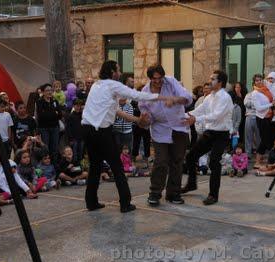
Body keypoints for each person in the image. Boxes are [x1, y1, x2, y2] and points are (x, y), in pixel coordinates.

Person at [81, 60, 171, 212]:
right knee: (117, 166)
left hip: (87, 129)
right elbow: (136, 95)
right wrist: (162, 97)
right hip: (101, 131)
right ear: (112, 72)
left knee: (95, 166)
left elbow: (117, 111)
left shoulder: (97, 85)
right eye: (118, 70)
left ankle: (91, 202)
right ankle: (125, 203)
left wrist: (138, 121)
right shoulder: (112, 84)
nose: (120, 73)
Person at [139, 64, 193, 206]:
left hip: (179, 126)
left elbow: (187, 97)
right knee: (161, 161)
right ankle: (155, 193)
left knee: (177, 161)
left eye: (160, 78)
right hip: (160, 130)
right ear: (150, 78)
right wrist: (145, 119)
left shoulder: (170, 82)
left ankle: (173, 194)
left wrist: (174, 99)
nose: (158, 81)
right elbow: (146, 115)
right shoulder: (145, 93)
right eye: (154, 79)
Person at [181, 70, 233, 205]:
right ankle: (191, 184)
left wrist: (195, 119)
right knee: (191, 156)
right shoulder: (209, 97)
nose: (210, 81)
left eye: (213, 79)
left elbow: (216, 116)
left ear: (220, 82)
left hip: (221, 135)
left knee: (214, 162)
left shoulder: (225, 97)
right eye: (210, 78)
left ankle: (213, 195)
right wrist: (184, 115)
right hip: (210, 132)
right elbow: (199, 110)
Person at [251, 74, 275, 169]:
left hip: (269, 117)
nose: (259, 82)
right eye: (257, 80)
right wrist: (271, 104)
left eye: (260, 80)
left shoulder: (266, 89)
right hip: (262, 118)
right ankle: (257, 162)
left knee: (268, 139)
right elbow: (258, 108)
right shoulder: (255, 93)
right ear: (254, 82)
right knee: (265, 140)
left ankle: (262, 160)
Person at [36, 83, 62, 162]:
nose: (49, 92)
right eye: (47, 90)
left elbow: (60, 115)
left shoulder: (55, 101)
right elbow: (41, 117)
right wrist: (54, 114)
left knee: (55, 148)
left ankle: (54, 165)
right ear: (43, 92)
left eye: (51, 90)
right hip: (44, 129)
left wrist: (50, 114)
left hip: (55, 127)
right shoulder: (39, 102)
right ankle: (47, 165)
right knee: (46, 148)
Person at [131, 84, 151, 163]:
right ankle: (134, 158)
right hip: (137, 124)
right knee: (136, 141)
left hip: (146, 125)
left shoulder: (148, 101)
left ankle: (146, 158)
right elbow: (133, 112)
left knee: (147, 142)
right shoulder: (135, 100)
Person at [243, 87, 261, 158]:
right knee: (248, 136)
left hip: (259, 117)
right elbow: (247, 104)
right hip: (249, 116)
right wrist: (256, 104)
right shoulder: (248, 95)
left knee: (259, 137)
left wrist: (254, 104)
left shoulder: (261, 95)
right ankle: (248, 154)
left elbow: (261, 106)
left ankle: (259, 153)